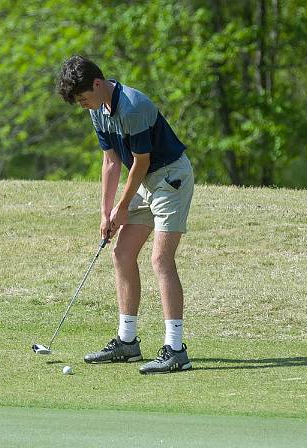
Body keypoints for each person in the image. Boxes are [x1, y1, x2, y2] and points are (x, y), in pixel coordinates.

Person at [57, 55, 195, 374]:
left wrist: (122, 207)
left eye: (83, 98)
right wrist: (106, 213)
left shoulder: (133, 107)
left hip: (170, 178)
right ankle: (127, 341)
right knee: (121, 253)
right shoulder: (98, 111)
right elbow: (111, 162)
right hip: (145, 181)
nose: (82, 105)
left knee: (161, 259)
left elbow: (141, 162)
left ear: (96, 83)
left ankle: (176, 349)